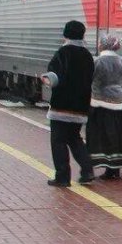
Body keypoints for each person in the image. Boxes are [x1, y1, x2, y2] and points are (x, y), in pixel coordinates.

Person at [41, 21, 96, 187]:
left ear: (65, 34)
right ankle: (87, 170)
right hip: (80, 106)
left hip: (61, 105)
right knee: (75, 138)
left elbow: (55, 75)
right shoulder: (87, 55)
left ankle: (62, 177)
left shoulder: (63, 52)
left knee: (58, 140)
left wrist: (46, 78)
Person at [87, 33, 122, 179]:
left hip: (99, 103)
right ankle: (116, 169)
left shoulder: (97, 61)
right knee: (117, 136)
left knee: (102, 136)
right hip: (118, 103)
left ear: (102, 45)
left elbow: (88, 79)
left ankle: (106, 167)